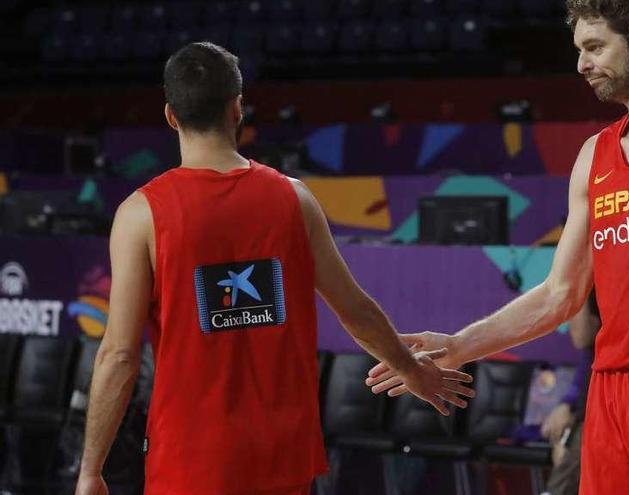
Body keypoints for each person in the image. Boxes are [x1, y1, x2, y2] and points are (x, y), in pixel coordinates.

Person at [366, 1, 629, 493]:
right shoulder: (593, 156)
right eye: (579, 50)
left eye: (595, 47)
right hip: (609, 391)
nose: (581, 64)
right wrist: (459, 346)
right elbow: (559, 293)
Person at [74, 42, 474, 495]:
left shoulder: (140, 215)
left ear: (170, 116)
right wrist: (410, 369)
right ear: (237, 108)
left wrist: (91, 469)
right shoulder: (294, 199)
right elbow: (355, 309)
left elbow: (120, 355)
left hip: (192, 460)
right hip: (283, 457)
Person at [540, 295, 600, 495]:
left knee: (577, 449)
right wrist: (567, 403)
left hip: (627, 398)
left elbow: (583, 337)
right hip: (591, 403)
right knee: (564, 444)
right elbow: (586, 346)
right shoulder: (591, 282)